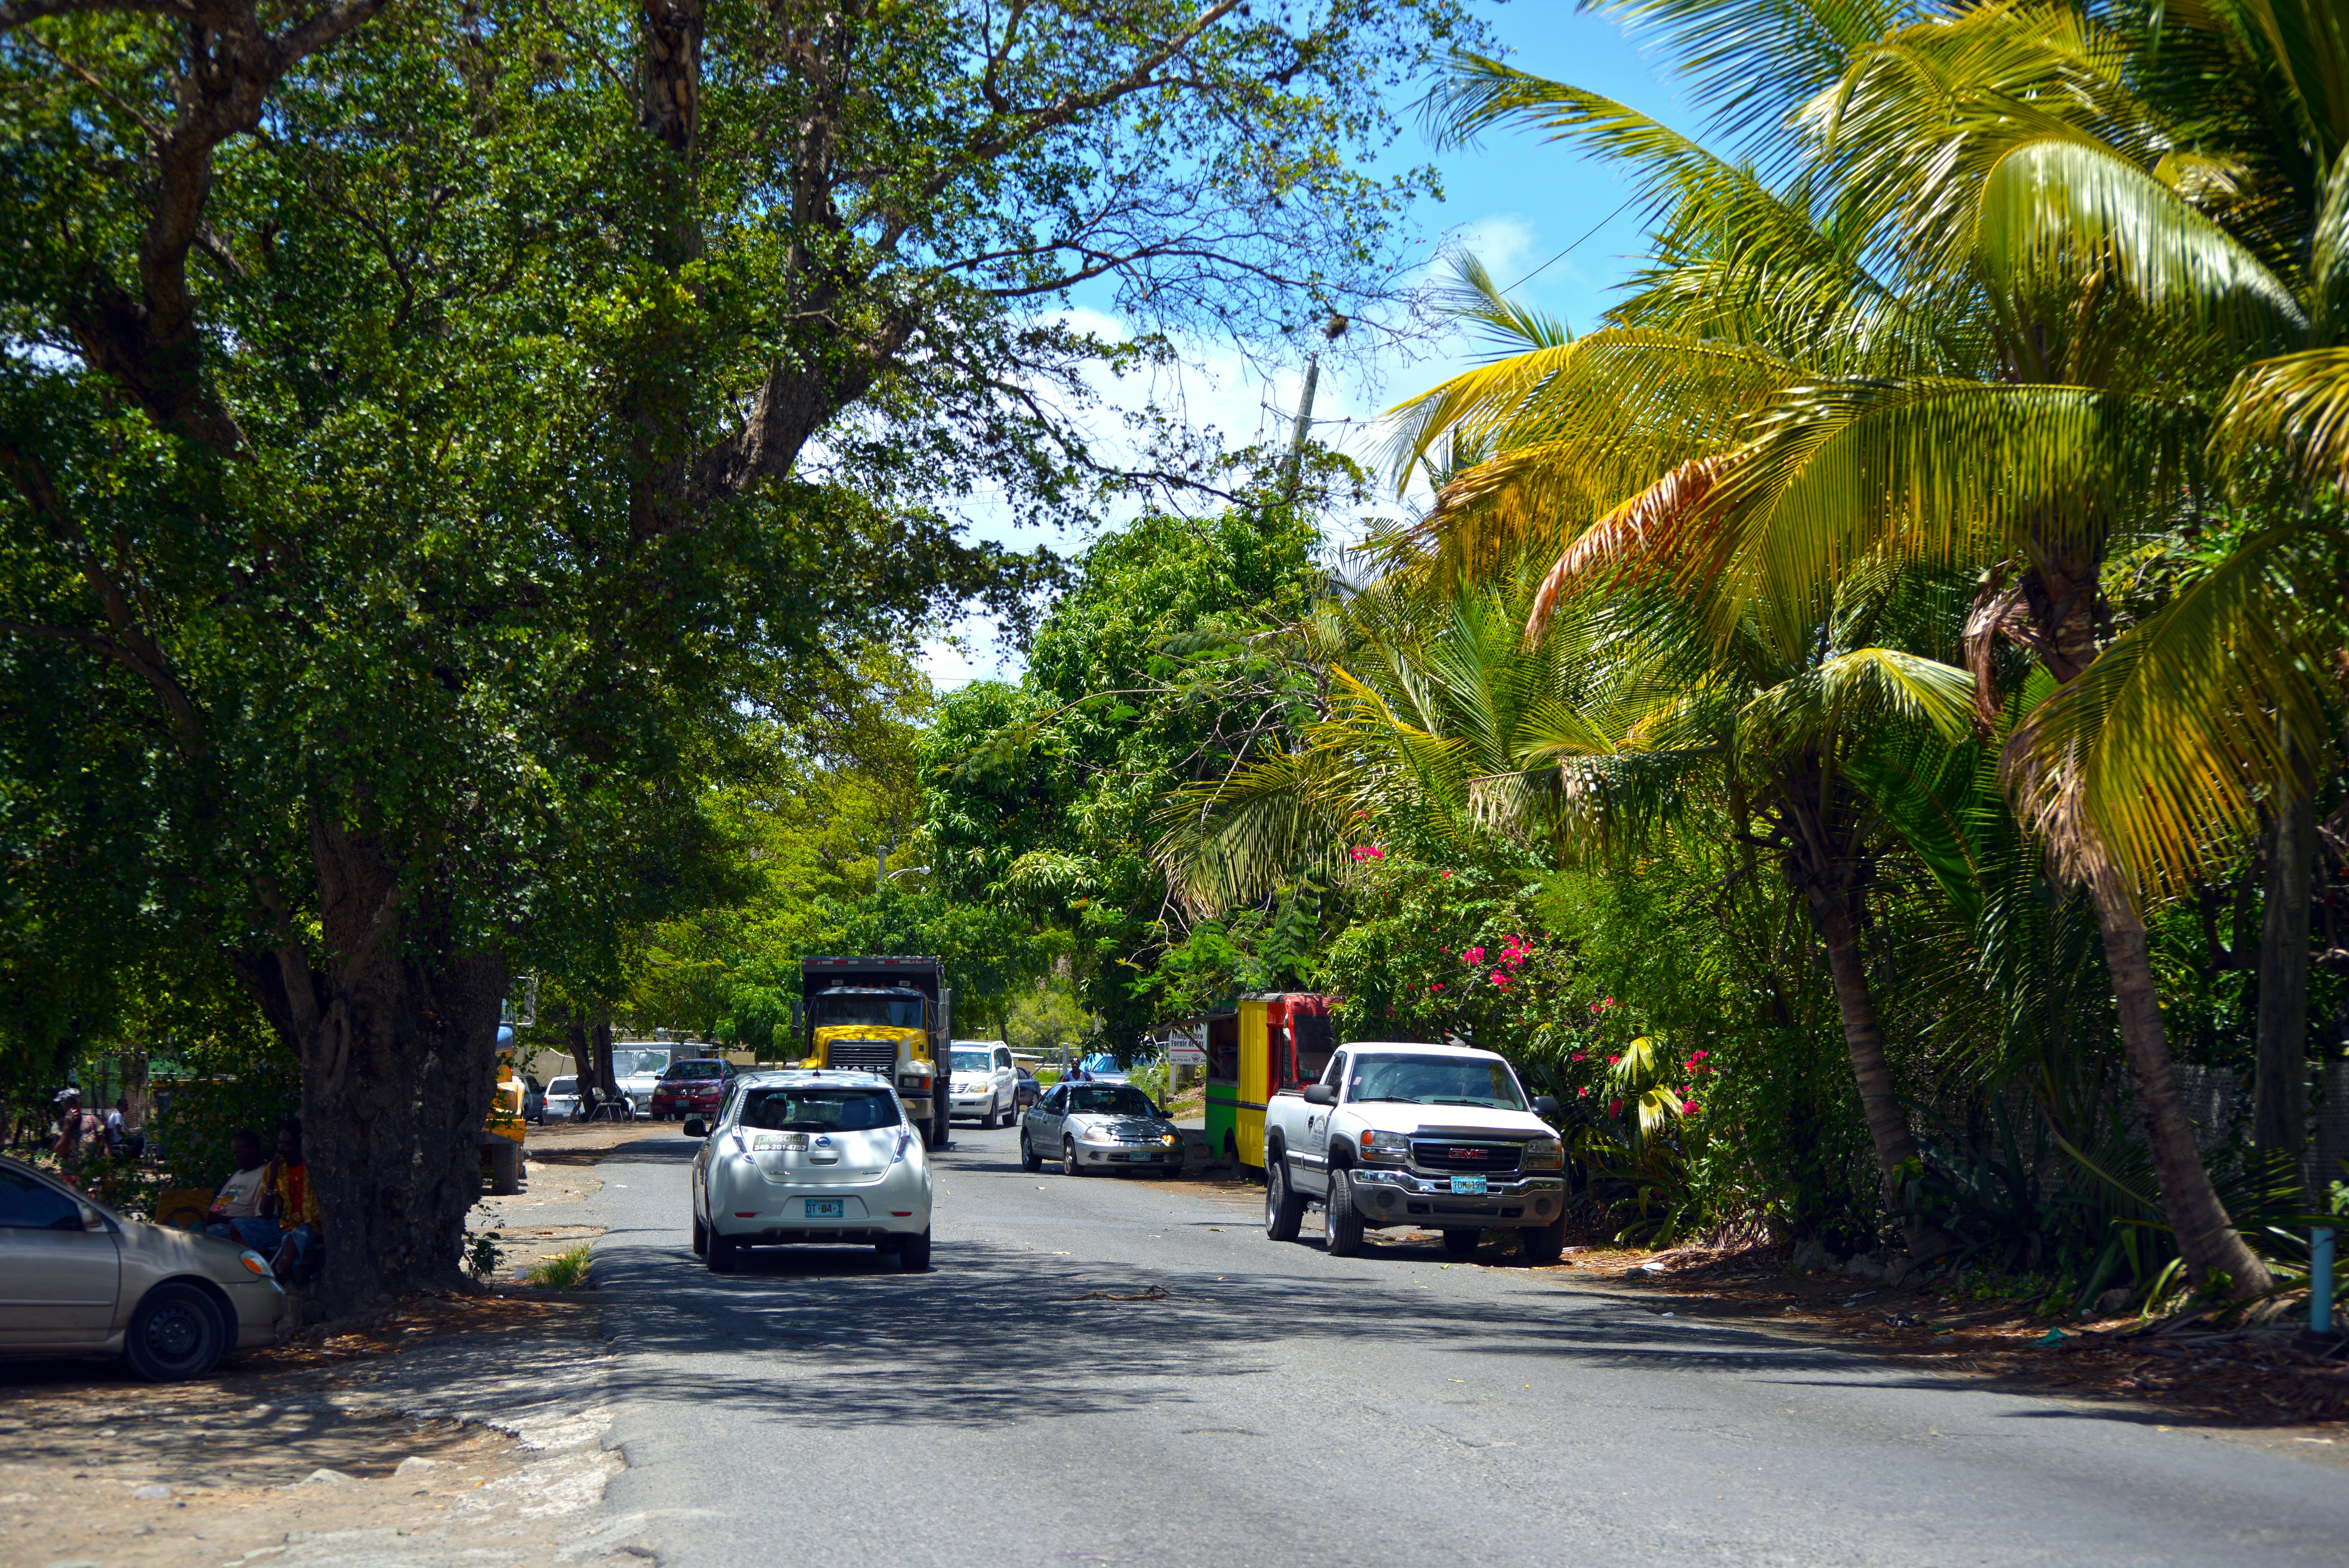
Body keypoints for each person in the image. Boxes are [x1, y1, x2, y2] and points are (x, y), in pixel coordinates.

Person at [264, 1119, 322, 1275]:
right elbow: (266, 1214)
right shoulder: (275, 1170)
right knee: (239, 1227)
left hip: (309, 1225)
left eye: (287, 1145)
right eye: (279, 1143)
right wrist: (271, 1182)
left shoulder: (314, 1167)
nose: (282, 1149)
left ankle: (279, 1278)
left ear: (300, 1146)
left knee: (292, 1240)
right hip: (284, 1224)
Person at [204, 1130, 277, 1250]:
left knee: (204, 1236)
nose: (236, 1159)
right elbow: (222, 1202)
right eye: (234, 1155)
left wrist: (220, 1219)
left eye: (240, 1154)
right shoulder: (238, 1174)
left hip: (231, 1227)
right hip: (215, 1221)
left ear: (254, 1151)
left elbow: (261, 1220)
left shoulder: (263, 1176)